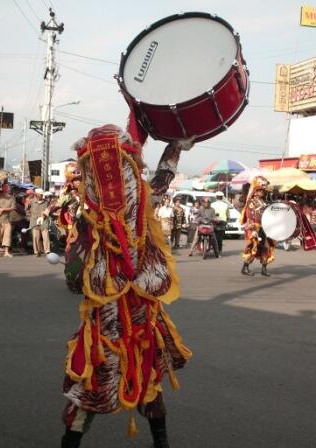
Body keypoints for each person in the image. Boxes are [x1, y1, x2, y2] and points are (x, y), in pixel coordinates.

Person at [60, 124, 192, 448]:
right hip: (141, 316)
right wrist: (175, 145)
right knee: (147, 381)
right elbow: (163, 177)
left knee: (92, 385)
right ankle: (161, 443)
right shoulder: (144, 199)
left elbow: (74, 280)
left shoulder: (87, 218)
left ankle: (70, 444)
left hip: (107, 322)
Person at [240, 176, 275, 277]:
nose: (262, 193)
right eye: (260, 191)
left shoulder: (264, 202)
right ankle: (245, 267)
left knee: (265, 248)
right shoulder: (251, 202)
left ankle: (264, 269)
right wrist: (253, 229)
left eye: (263, 191)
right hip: (254, 227)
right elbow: (250, 215)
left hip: (265, 227)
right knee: (253, 247)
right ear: (255, 191)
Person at [0, 183, 16, 257]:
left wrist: (3, 209)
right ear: (2, 188)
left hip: (7, 219)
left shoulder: (12, 198)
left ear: (9, 188)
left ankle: (6, 252)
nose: (6, 188)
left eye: (7, 187)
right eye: (4, 187)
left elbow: (13, 208)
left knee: (7, 236)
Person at [29, 188, 50, 256]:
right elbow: (27, 210)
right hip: (34, 221)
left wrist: (44, 214)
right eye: (40, 194)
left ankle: (47, 251)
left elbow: (48, 210)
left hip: (44, 220)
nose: (41, 196)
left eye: (42, 194)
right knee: (36, 237)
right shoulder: (31, 202)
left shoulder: (46, 202)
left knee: (45, 236)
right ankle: (37, 251)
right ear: (36, 195)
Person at [211, 191, 229, 255]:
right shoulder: (226, 205)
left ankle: (215, 249)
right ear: (222, 197)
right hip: (222, 222)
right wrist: (227, 221)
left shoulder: (212, 204)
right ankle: (220, 250)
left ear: (216, 197)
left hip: (214, 222)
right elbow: (228, 215)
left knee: (213, 236)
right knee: (220, 238)